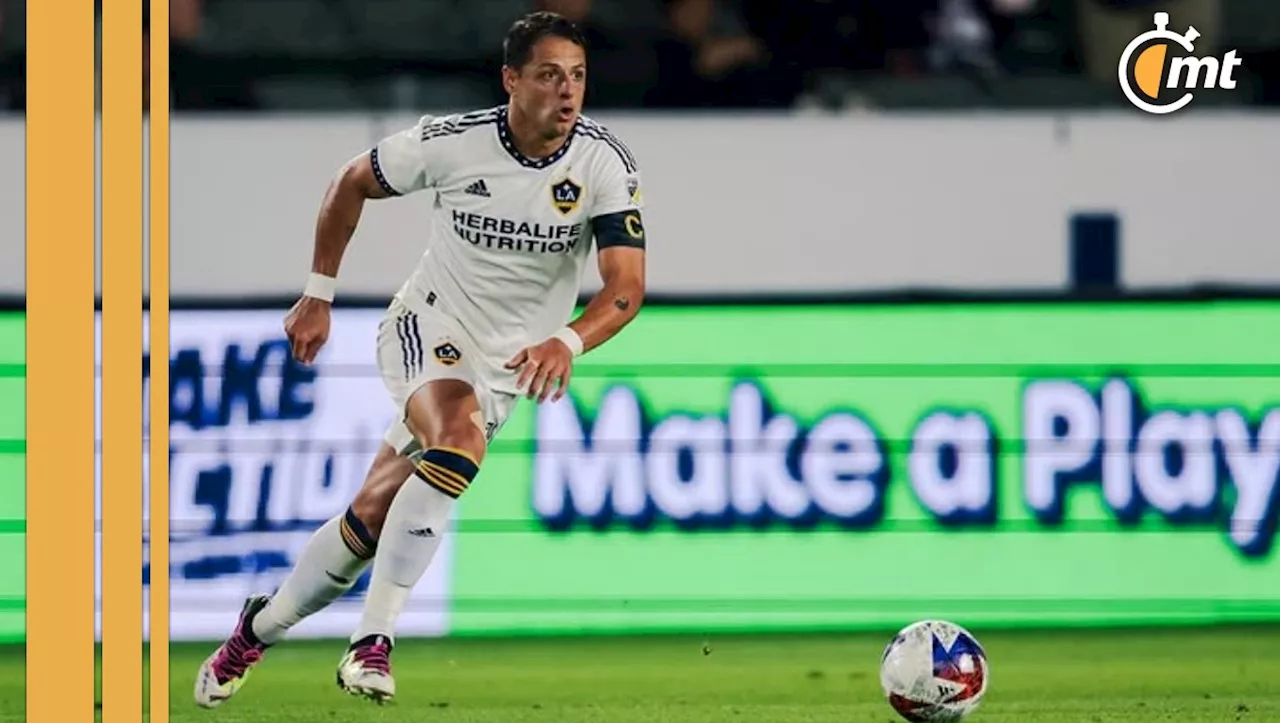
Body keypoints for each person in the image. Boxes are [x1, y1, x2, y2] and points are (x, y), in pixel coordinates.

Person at [193, 10, 647, 708]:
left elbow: (625, 287)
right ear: (512, 80)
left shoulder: (602, 163)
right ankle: (372, 643)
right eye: (551, 75)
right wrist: (318, 294)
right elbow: (351, 182)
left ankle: (257, 629)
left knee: (370, 521)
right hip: (426, 323)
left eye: (578, 77)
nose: (568, 91)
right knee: (459, 439)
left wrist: (569, 339)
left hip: (509, 363)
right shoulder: (451, 141)